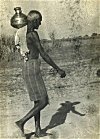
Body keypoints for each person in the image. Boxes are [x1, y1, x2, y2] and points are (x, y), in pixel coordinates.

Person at [15, 10, 66, 138]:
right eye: (39, 20)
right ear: (34, 21)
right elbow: (43, 54)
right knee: (43, 101)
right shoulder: (32, 34)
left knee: (37, 101)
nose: (40, 23)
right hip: (32, 67)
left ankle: (37, 130)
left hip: (27, 67)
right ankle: (21, 122)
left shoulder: (24, 33)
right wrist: (58, 69)